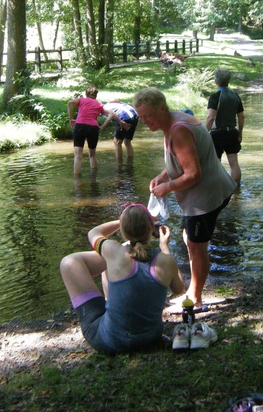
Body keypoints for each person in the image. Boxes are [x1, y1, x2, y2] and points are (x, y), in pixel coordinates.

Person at [133, 88, 238, 309]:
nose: (144, 121)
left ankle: (196, 299)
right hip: (210, 191)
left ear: (162, 108)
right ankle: (192, 291)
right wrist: (163, 175)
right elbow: (183, 157)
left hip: (205, 198)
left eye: (147, 116)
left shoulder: (178, 130)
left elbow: (193, 174)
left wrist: (166, 188)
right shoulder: (175, 120)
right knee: (189, 238)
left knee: (196, 245)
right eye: (140, 117)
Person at [59, 203, 185, 354]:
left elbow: (93, 232)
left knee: (68, 263)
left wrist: (122, 221)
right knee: (110, 260)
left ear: (124, 231)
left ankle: (109, 307)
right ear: (152, 228)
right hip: (150, 338)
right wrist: (164, 247)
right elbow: (179, 290)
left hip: (109, 342)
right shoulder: (166, 260)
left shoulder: (113, 250)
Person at [67, 86, 120, 175]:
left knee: (78, 156)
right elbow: (111, 115)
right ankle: (94, 179)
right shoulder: (99, 104)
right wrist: (102, 127)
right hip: (93, 128)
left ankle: (77, 182)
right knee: (92, 155)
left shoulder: (81, 100)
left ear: (86, 93)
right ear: (96, 95)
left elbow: (69, 103)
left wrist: (71, 119)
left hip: (80, 126)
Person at [205, 68, 245, 184]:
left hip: (216, 133)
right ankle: (236, 191)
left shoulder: (214, 97)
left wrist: (202, 133)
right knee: (234, 164)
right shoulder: (235, 96)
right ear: (229, 80)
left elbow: (210, 118)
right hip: (232, 132)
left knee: (216, 165)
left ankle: (219, 190)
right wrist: (240, 133)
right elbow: (241, 117)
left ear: (215, 81)